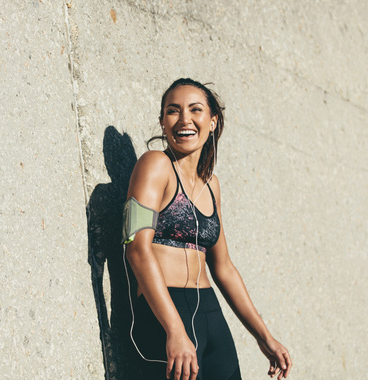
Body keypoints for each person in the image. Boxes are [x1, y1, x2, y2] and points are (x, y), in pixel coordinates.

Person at [123, 78, 292, 380]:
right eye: (173, 111)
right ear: (162, 122)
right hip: (165, 311)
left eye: (195, 110)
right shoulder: (154, 165)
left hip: (211, 315)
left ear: (212, 121)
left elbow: (224, 268)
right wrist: (174, 329)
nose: (184, 119)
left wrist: (264, 336)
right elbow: (136, 246)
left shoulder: (211, 185)